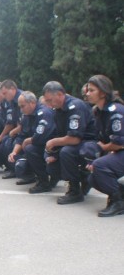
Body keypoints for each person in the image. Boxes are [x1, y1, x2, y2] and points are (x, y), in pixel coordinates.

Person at [43, 81, 97, 204]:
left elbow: (75, 138)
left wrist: (53, 142)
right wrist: (51, 151)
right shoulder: (59, 110)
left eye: (50, 100)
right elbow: (60, 134)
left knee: (66, 152)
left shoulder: (75, 106)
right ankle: (84, 178)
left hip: (89, 144)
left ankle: (74, 191)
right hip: (74, 144)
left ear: (60, 94)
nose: (48, 104)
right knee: (52, 163)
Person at [84, 75, 124, 217]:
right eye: (87, 90)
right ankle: (120, 196)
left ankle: (117, 202)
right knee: (92, 178)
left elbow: (119, 143)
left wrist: (103, 151)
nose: (87, 93)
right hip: (117, 151)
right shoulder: (98, 112)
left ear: (103, 92)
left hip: (120, 150)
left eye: (91, 90)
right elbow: (101, 140)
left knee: (100, 166)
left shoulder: (116, 111)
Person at [9, 91, 57, 191]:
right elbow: (21, 136)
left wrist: (28, 141)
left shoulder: (44, 113)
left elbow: (42, 136)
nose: (21, 110)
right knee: (17, 156)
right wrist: (14, 152)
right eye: (20, 107)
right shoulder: (26, 116)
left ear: (32, 102)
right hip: (37, 145)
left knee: (30, 149)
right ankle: (31, 176)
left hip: (51, 147)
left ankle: (44, 182)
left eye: (23, 106)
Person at [0, 79, 23, 179]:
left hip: (25, 131)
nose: (4, 96)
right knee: (4, 144)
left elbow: (25, 121)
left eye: (5, 93)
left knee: (8, 143)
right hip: (18, 130)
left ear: (12, 89)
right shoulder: (10, 101)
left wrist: (14, 131)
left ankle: (22, 171)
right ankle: (13, 168)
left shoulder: (22, 99)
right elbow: (10, 121)